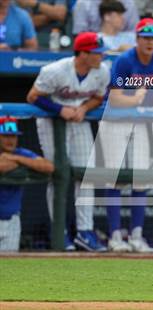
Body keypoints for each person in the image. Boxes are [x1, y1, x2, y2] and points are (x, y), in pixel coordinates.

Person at [26, 32, 110, 252]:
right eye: (96, 52)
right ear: (83, 53)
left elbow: (99, 98)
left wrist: (83, 108)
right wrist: (59, 109)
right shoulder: (55, 70)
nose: (101, 56)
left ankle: (85, 232)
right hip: (51, 122)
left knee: (86, 175)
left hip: (78, 120)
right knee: (59, 174)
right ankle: (59, 231)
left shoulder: (102, 71)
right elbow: (33, 96)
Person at [100, 18, 153, 253]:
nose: (151, 42)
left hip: (143, 124)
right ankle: (114, 236)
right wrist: (137, 99)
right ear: (137, 39)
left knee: (141, 179)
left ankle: (137, 235)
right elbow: (114, 97)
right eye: (146, 37)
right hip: (116, 123)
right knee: (115, 177)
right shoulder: (124, 60)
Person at [0, 117, 54, 252]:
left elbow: (48, 167)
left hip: (12, 221)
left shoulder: (20, 153)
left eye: (13, 136)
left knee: (10, 268)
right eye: (5, 136)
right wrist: (21, 163)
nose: (10, 140)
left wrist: (16, 159)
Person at [72, 0, 138, 35]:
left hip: (125, 43)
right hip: (92, 48)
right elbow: (80, 35)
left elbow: (134, 32)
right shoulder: (83, 3)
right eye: (119, 14)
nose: (122, 18)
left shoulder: (129, 3)